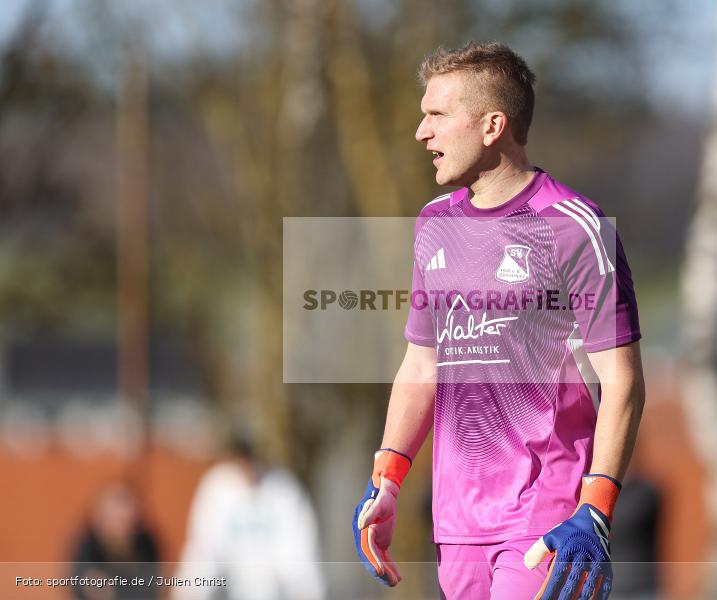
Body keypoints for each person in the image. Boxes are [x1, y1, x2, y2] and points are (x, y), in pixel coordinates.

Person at [352, 42, 645, 600]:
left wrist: (597, 508)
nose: (421, 132)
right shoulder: (434, 224)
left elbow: (623, 377)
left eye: (436, 115)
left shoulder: (572, 226)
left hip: (546, 518)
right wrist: (387, 480)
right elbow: (421, 365)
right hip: (458, 523)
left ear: (492, 126)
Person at [175, 434, 325, 600]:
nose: (249, 462)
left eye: (254, 454)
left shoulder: (284, 491)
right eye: (244, 454)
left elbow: (300, 563)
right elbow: (203, 553)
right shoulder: (217, 487)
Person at [70, 480, 160, 600]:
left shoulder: (146, 542)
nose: (120, 516)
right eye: (112, 512)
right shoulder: (87, 544)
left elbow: (154, 582)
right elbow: (79, 578)